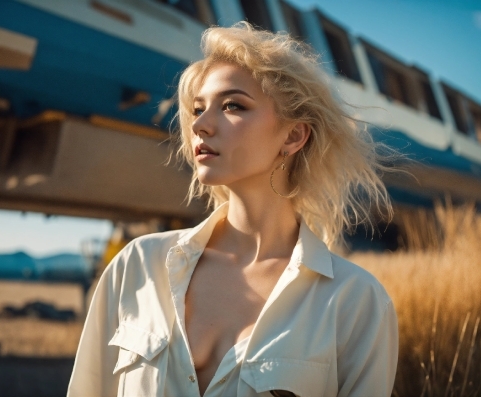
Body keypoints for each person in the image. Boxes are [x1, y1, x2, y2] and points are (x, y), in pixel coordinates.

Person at [67, 22, 398, 397]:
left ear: (293, 135)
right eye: (197, 109)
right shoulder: (138, 267)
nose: (201, 125)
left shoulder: (355, 302)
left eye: (232, 105)